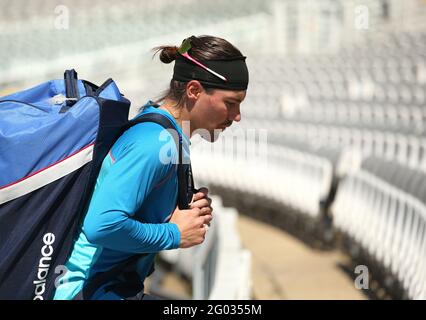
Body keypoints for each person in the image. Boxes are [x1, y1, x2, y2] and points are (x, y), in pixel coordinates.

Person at [53, 35, 249, 300]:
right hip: (86, 291)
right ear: (193, 91)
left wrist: (179, 212)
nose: (236, 117)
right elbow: (102, 225)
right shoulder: (153, 143)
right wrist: (174, 233)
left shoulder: (164, 131)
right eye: (230, 103)